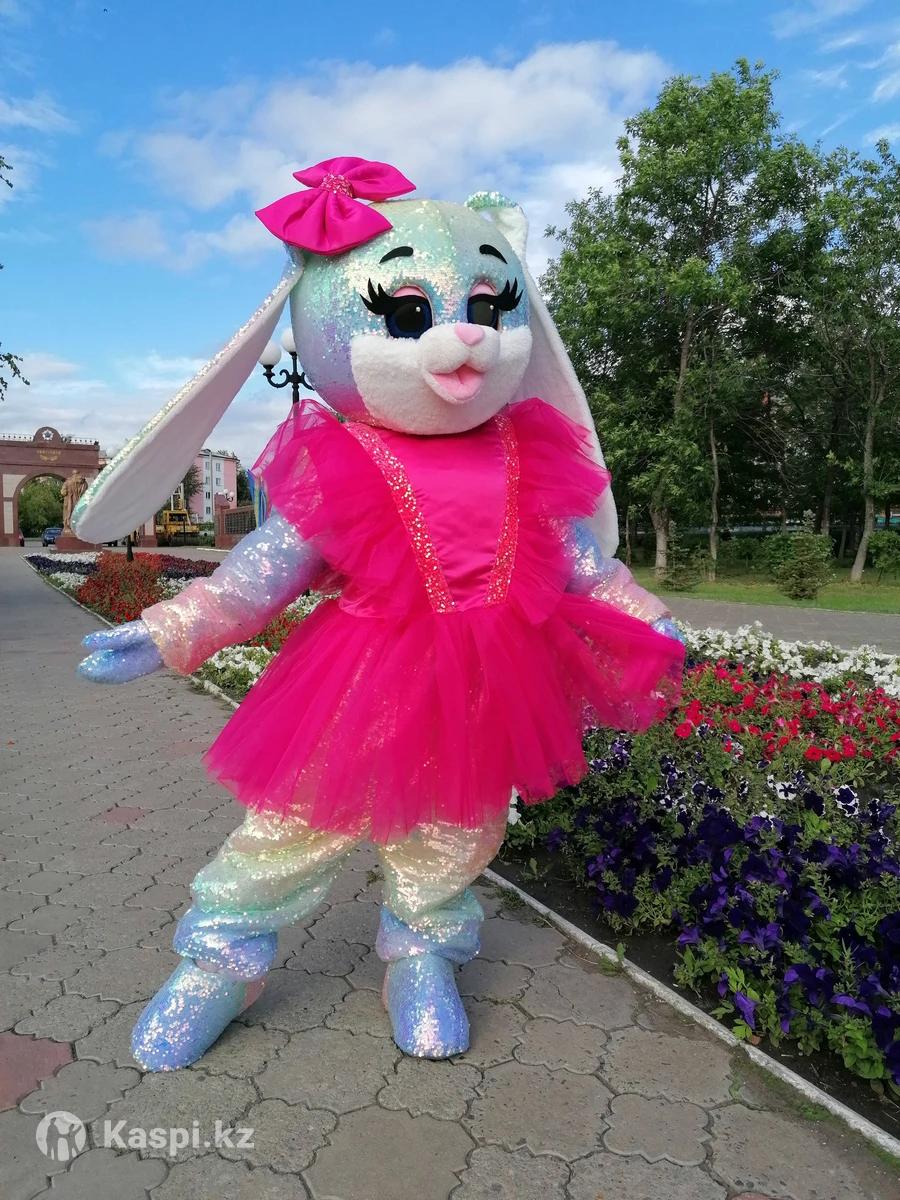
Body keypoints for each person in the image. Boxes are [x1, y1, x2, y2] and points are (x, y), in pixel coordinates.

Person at [74, 157, 684, 1071]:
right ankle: (220, 959)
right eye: (408, 315)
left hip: (490, 681)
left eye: (489, 308)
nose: (464, 338)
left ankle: (422, 952)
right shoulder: (344, 460)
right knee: (295, 820)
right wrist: (168, 627)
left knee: (459, 824)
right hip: (360, 679)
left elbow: (583, 564)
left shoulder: (527, 454)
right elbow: (259, 574)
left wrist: (645, 613)